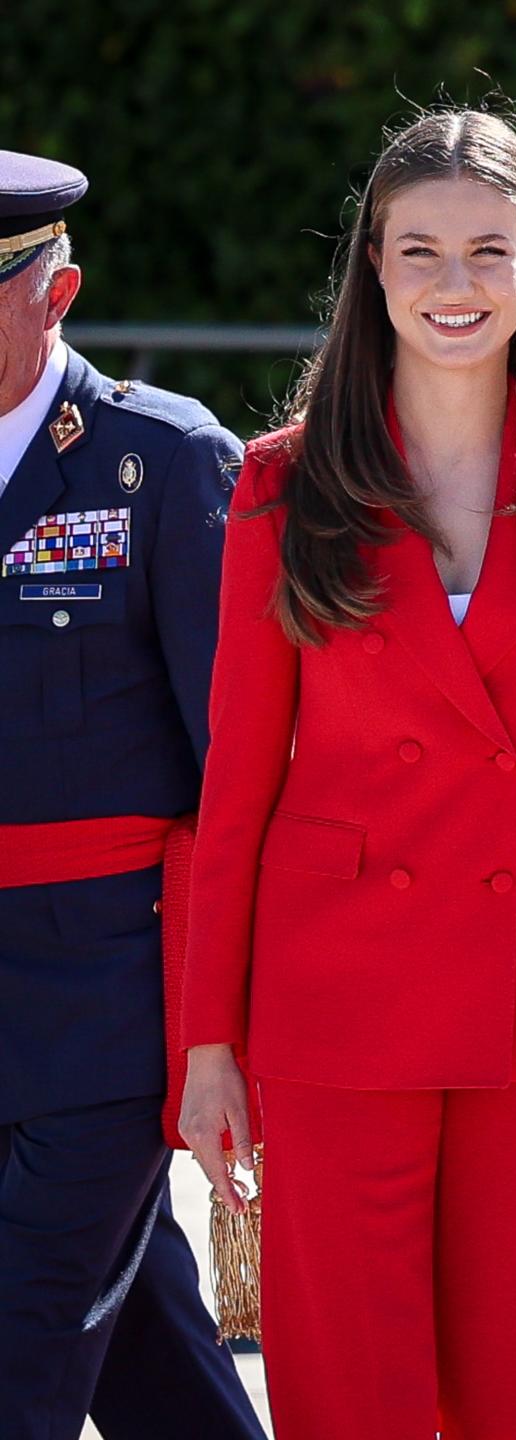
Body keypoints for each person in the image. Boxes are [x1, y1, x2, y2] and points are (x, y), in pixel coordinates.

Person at [179, 107, 516, 1440]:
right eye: (419, 251)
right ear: (371, 265)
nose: (454, 286)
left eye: (489, 252)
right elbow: (237, 788)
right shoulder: (280, 485)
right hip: (335, 1006)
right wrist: (205, 1041)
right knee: (345, 1394)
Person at [0, 151, 265, 1440]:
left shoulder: (157, 465)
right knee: (151, 1353)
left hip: (103, 1005)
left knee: (20, 1342)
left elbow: (243, 767)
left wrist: (229, 1027)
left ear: (57, 293)